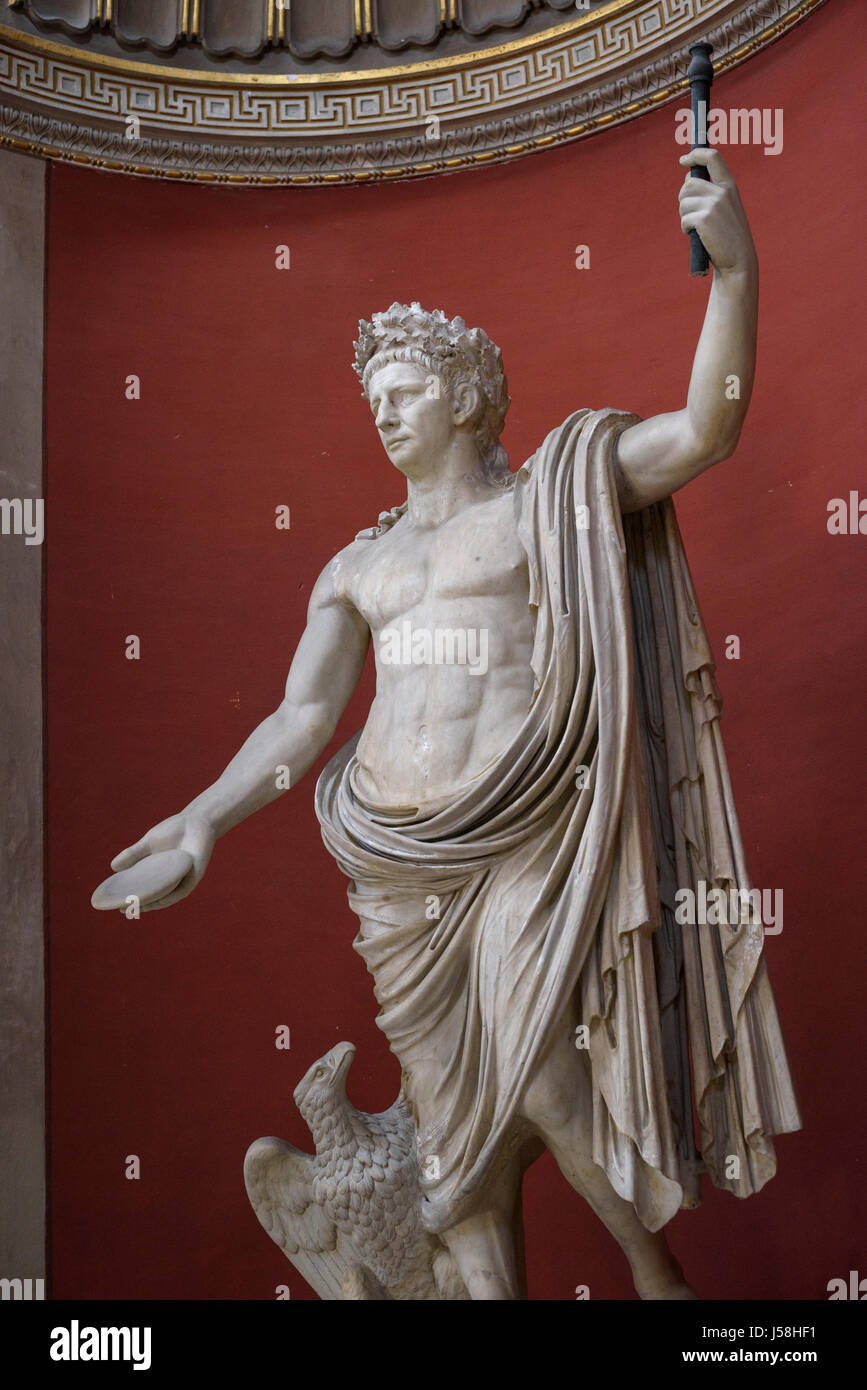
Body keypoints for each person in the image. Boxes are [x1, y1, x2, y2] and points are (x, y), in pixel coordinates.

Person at [100, 150, 800, 1299]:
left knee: (550, 1089)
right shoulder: (359, 565)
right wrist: (201, 819)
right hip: (396, 873)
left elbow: (702, 436)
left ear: (469, 395)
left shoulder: (549, 500)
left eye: (407, 386)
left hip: (522, 841)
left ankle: (655, 1277)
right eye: (371, 392)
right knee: (447, 1151)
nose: (381, 406)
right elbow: (304, 714)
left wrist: (736, 275)